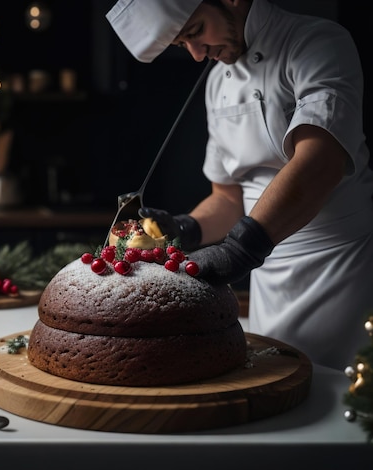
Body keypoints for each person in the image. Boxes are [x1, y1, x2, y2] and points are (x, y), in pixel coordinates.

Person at [106, 0, 373, 370]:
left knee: (338, 398)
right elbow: (229, 197)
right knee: (276, 390)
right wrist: (185, 228)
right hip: (267, 272)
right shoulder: (217, 81)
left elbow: (321, 162)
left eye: (196, 31)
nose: (198, 55)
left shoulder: (316, 42)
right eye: (183, 44)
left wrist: (240, 248)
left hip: (339, 267)